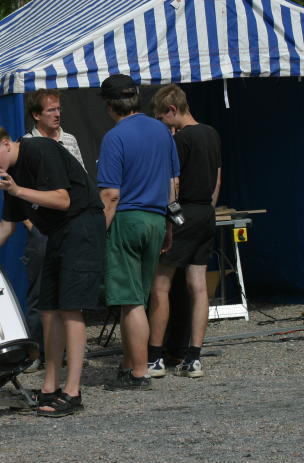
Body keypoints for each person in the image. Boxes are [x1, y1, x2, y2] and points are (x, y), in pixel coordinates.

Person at [0, 121, 105, 417]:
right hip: (56, 233)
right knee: (48, 310)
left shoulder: (39, 149)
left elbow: (62, 199)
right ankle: (49, 386)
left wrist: (18, 190)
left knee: (70, 308)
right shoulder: (10, 176)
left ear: (6, 143)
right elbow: (6, 227)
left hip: (81, 225)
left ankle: (73, 391)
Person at [96, 74, 180, 391]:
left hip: (127, 220)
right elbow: (173, 184)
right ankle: (128, 364)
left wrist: (97, 236)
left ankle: (139, 372)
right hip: (156, 219)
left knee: (130, 301)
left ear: (109, 105)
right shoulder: (162, 131)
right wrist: (169, 225)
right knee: (138, 298)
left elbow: (110, 195)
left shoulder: (114, 137)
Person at [147, 84, 222, 379]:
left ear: (172, 110)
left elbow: (172, 184)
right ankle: (194, 358)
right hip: (206, 212)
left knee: (160, 286)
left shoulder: (181, 140)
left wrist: (171, 221)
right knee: (199, 286)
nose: (161, 124)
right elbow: (218, 176)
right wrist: (208, 209)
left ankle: (155, 357)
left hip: (183, 213)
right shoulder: (211, 133)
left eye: (161, 118)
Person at [22, 89, 87, 373]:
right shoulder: (26, 145)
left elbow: (82, 179)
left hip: (70, 226)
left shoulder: (69, 139)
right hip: (42, 228)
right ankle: (36, 352)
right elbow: (21, 192)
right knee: (39, 293)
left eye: (59, 109)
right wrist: (31, 225)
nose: (57, 114)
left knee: (69, 292)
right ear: (36, 115)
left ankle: (66, 352)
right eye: (51, 110)